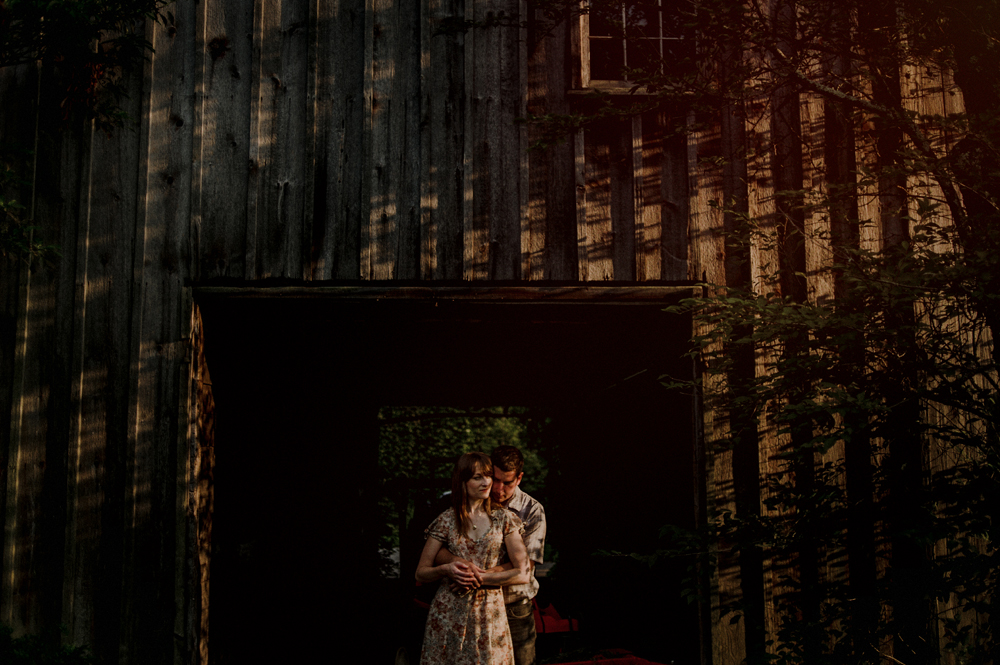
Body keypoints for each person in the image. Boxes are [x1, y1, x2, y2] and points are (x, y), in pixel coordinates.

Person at [435, 446, 547, 665]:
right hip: (467, 603)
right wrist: (457, 563)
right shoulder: (465, 501)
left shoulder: (532, 510)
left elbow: (526, 568)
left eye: (507, 482)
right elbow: (437, 550)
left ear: (520, 478)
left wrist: (472, 577)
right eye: (494, 479)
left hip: (513, 605)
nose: (498, 488)